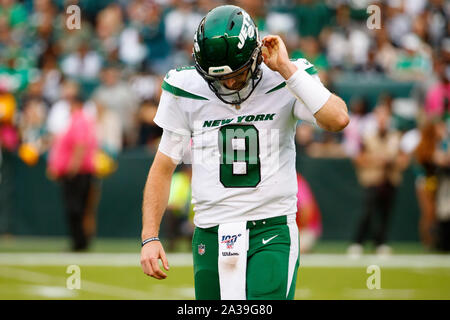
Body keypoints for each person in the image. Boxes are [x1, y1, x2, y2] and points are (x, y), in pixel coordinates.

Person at [140, 5, 348, 300]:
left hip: (271, 226)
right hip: (210, 230)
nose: (229, 84)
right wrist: (150, 236)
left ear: (255, 55)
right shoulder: (185, 87)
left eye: (237, 75)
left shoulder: (284, 78)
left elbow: (338, 119)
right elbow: (163, 167)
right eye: (218, 78)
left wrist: (288, 70)